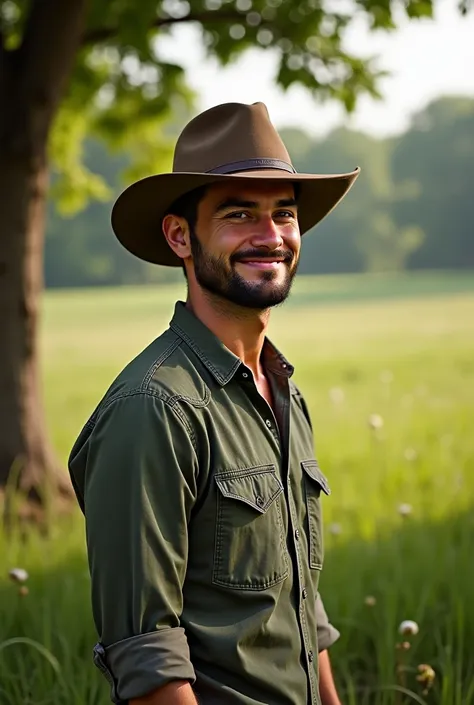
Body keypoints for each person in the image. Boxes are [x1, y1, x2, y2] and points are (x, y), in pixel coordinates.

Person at [69, 101, 359, 705]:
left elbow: (299, 602)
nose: (270, 236)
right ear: (180, 235)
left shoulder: (283, 390)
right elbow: (148, 658)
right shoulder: (153, 409)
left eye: (284, 213)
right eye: (239, 213)